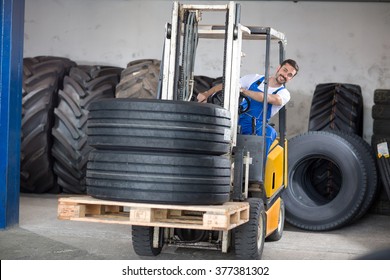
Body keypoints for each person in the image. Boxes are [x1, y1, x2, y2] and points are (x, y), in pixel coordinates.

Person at [197, 59, 299, 153]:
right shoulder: (254, 78)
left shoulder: (284, 94)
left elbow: (268, 98)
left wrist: (244, 91)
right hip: (237, 119)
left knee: (269, 132)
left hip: (256, 127)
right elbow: (228, 85)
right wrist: (206, 94)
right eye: (284, 70)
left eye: (289, 75)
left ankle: (257, 170)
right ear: (278, 68)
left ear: (291, 79)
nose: (285, 75)